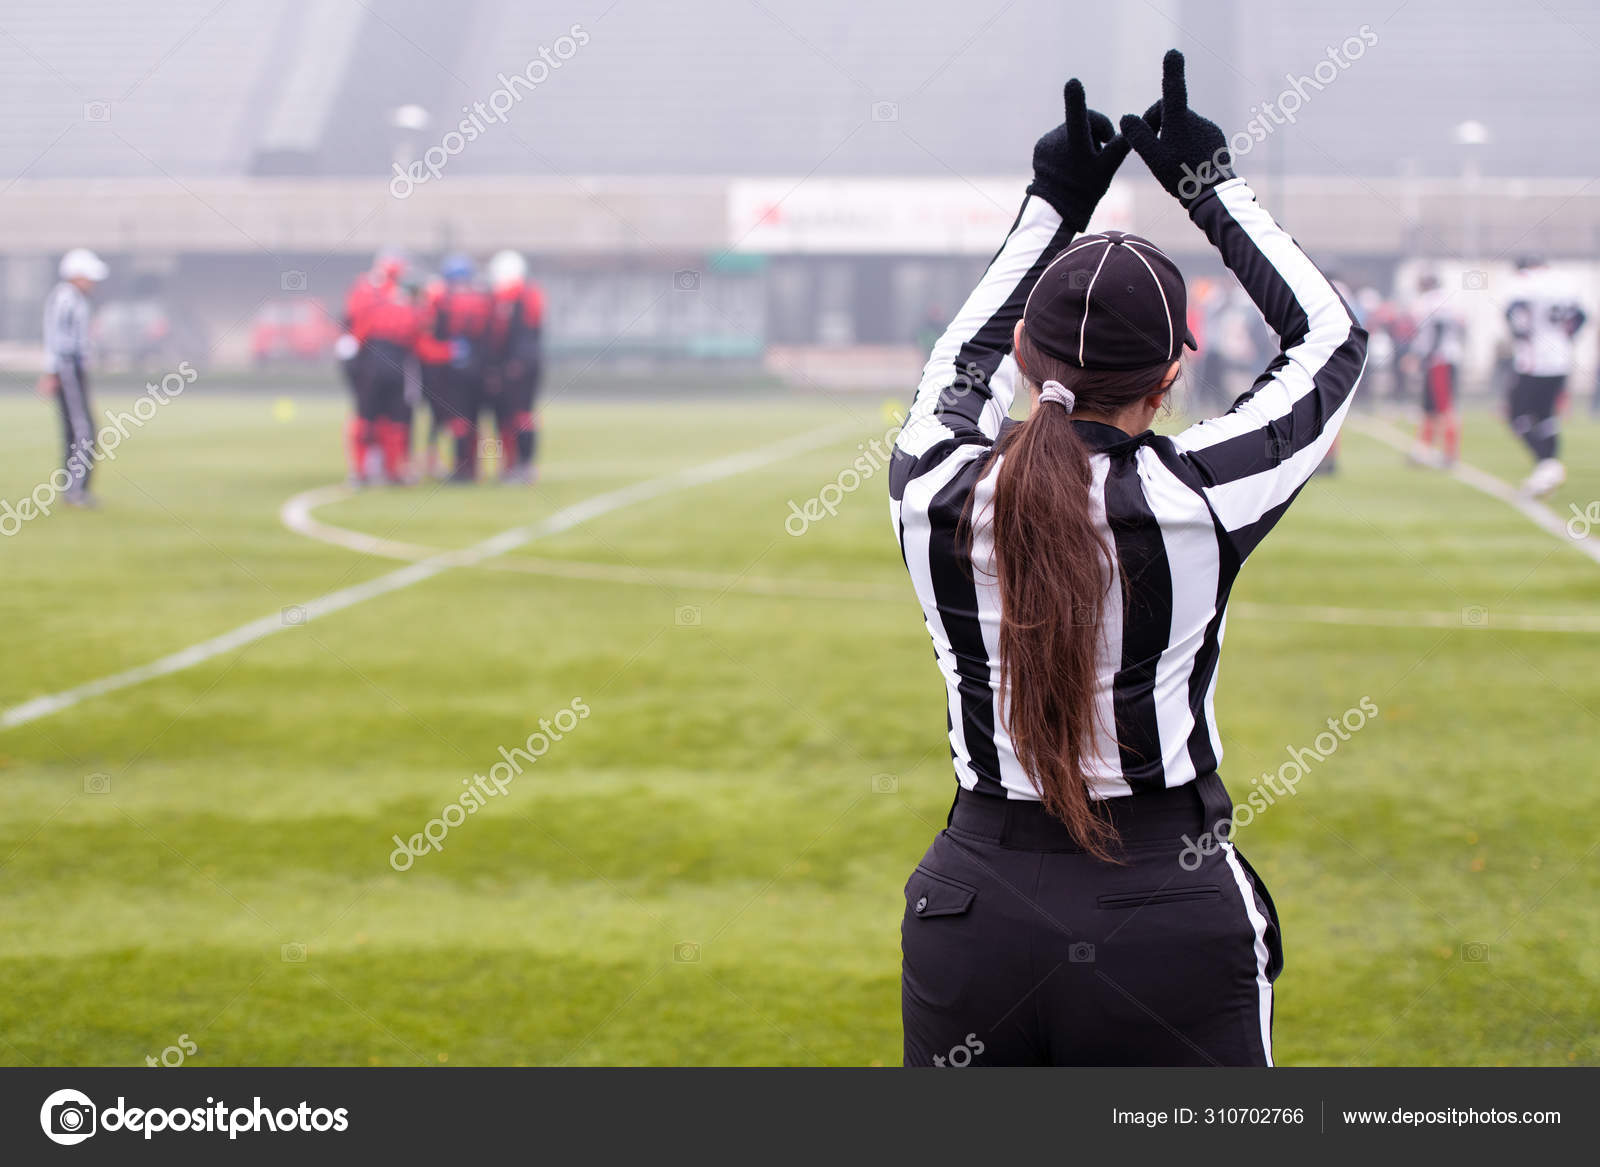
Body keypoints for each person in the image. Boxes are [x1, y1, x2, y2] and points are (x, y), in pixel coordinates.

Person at [890, 53, 1366, 1067]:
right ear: (1168, 375)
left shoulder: (930, 486)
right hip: (1163, 902)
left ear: (1027, 356)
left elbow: (955, 364)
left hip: (972, 906)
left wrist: (1050, 203)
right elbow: (1328, 338)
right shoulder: (1195, 496)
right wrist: (1209, 187)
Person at [1504, 256, 1586, 496]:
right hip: (1560, 358)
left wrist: (1522, 339)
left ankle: (1547, 464)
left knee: (1517, 416)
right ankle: (1548, 467)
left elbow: (1515, 317)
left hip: (1533, 361)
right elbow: (1581, 317)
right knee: (1546, 416)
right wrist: (1564, 339)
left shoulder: (1524, 283)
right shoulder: (1565, 282)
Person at [37, 248, 109, 508]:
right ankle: (75, 491)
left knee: (81, 430)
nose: (92, 282)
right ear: (76, 275)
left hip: (72, 369)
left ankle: (75, 489)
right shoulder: (66, 299)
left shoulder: (74, 299)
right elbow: (57, 339)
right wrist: (52, 371)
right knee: (82, 430)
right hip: (68, 369)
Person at [343, 251, 421, 485]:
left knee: (366, 418)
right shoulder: (406, 301)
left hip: (371, 362)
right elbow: (415, 338)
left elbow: (358, 331)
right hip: (397, 364)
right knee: (394, 420)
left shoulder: (366, 293)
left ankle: (362, 471)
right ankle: (392, 470)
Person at [416, 254, 492, 482]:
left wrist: (447, 352)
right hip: (477, 368)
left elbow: (426, 336)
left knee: (455, 421)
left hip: (448, 371)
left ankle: (460, 468)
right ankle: (472, 468)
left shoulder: (440, 299)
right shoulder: (482, 299)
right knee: (473, 420)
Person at [483, 250, 546, 485]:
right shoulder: (531, 294)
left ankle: (521, 465)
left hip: (517, 365)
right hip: (523, 363)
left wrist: (510, 363)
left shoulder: (515, 297)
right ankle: (515, 465)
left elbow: (507, 334)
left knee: (518, 416)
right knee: (512, 417)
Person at [1408, 273, 1465, 467]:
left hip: (1439, 360)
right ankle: (1423, 450)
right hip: (1444, 357)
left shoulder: (1430, 302)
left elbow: (1438, 329)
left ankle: (1450, 453)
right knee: (1430, 407)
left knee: (1443, 408)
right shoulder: (1448, 301)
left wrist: (1428, 355)